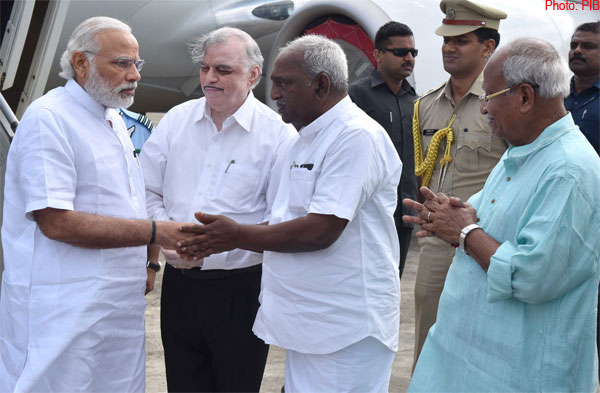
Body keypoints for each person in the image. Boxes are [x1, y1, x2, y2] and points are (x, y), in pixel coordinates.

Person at [176, 35, 402, 393]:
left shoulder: (356, 137)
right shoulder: (299, 141)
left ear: (321, 85)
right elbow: (283, 223)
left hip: (345, 326)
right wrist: (214, 241)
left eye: (285, 84)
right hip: (308, 323)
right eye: (274, 84)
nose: (275, 94)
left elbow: (321, 230)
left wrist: (236, 235)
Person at [0, 17, 196, 392]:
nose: (134, 75)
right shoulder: (49, 118)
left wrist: (151, 260)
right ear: (80, 63)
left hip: (114, 310)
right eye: (122, 63)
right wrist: (158, 232)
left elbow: (129, 201)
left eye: (137, 64)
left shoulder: (113, 118)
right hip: (61, 310)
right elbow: (57, 223)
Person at [404, 37, 600, 392]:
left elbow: (530, 275)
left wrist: (465, 233)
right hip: (468, 360)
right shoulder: (521, 151)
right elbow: (482, 227)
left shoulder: (568, 170)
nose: (482, 110)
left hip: (518, 373)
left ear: (525, 97)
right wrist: (449, 223)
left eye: (489, 97)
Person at [139, 27, 295, 392]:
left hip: (240, 292)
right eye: (205, 68)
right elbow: (145, 188)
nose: (210, 78)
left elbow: (282, 219)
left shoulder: (278, 136)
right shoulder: (177, 120)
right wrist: (169, 237)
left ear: (253, 75)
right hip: (179, 286)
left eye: (223, 70)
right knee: (182, 384)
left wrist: (218, 244)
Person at [411, 0, 508, 365]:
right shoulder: (426, 105)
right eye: (446, 40)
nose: (449, 48)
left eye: (461, 40)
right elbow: (423, 172)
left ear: (488, 47)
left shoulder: (505, 104)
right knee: (428, 342)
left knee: (484, 348)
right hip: (438, 246)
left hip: (488, 244)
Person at [349, 21, 418, 278]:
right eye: (400, 52)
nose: (409, 57)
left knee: (392, 282)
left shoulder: (415, 100)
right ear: (378, 55)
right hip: (369, 212)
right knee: (364, 282)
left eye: (413, 52)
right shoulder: (357, 96)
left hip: (404, 211)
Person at [564, 19, 600, 378]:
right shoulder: (557, 98)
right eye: (575, 44)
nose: (577, 50)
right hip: (559, 222)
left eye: (587, 46)